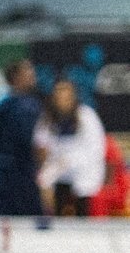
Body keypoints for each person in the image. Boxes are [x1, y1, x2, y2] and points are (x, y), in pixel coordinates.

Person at [0, 59, 44, 217]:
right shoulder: (11, 106)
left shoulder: (33, 104)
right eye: (27, 71)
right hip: (14, 177)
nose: (32, 75)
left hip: (15, 175)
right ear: (16, 77)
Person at [35, 78, 107, 218]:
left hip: (84, 172)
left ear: (74, 96)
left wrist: (71, 162)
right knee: (45, 183)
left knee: (82, 205)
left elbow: (96, 150)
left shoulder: (87, 116)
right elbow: (41, 147)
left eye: (66, 94)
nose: (62, 98)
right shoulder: (46, 119)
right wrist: (46, 176)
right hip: (59, 172)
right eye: (59, 93)